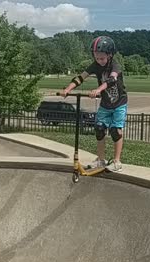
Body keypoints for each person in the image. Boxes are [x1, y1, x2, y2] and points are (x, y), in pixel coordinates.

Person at [60, 36, 128, 172]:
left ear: (110, 55)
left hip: (119, 103)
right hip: (105, 103)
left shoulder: (115, 65)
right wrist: (67, 89)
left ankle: (117, 161)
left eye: (102, 58)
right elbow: (81, 77)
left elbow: (112, 80)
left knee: (116, 131)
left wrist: (98, 90)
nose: (99, 61)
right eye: (96, 58)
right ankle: (101, 160)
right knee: (99, 129)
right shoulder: (95, 66)